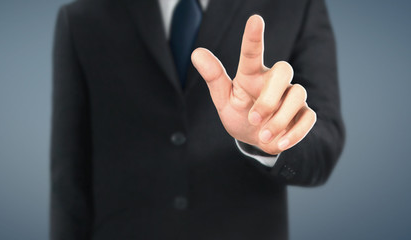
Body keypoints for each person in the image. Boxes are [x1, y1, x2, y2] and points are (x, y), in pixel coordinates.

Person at [50, 0, 345, 239]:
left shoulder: (297, 6)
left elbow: (324, 141)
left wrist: (269, 138)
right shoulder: (81, 19)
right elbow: (70, 176)